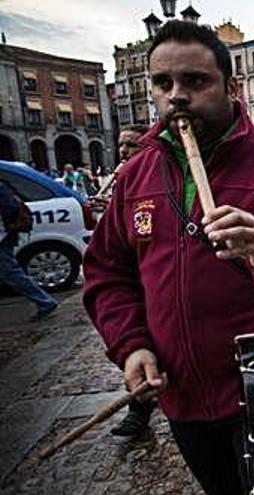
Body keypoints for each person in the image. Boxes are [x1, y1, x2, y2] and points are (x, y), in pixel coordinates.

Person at [82, 21, 254, 495]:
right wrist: (132, 345)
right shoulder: (136, 175)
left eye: (195, 81)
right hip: (182, 396)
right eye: (163, 84)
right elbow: (108, 272)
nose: (177, 96)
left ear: (231, 87)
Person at [102, 124, 156, 440]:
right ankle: (139, 412)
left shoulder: (152, 177)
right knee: (140, 354)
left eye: (132, 145)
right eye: (122, 145)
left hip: (156, 284)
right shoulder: (126, 180)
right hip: (136, 285)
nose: (124, 151)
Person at [0, 180, 59, 322]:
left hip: (2, 237)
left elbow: (10, 209)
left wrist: (9, 227)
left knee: (10, 272)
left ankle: (44, 301)